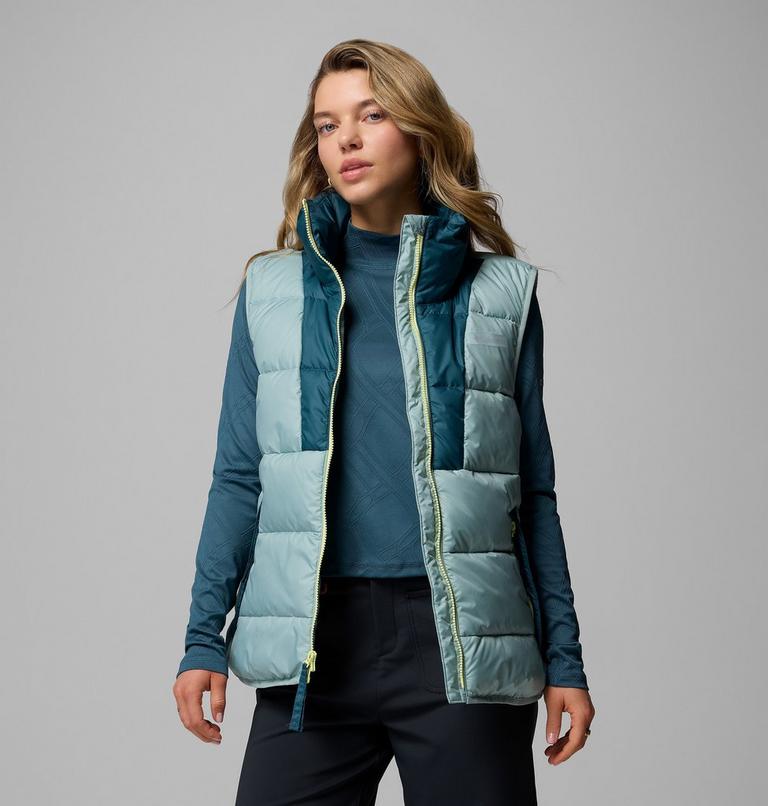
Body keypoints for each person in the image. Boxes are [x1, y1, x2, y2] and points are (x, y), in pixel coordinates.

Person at [173, 38, 596, 805]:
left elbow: (531, 493)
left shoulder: (498, 295)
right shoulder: (272, 293)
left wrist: (565, 658)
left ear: (421, 130)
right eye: (327, 124)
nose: (348, 140)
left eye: (372, 115)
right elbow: (239, 478)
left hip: (458, 645)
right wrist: (204, 636)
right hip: (314, 647)